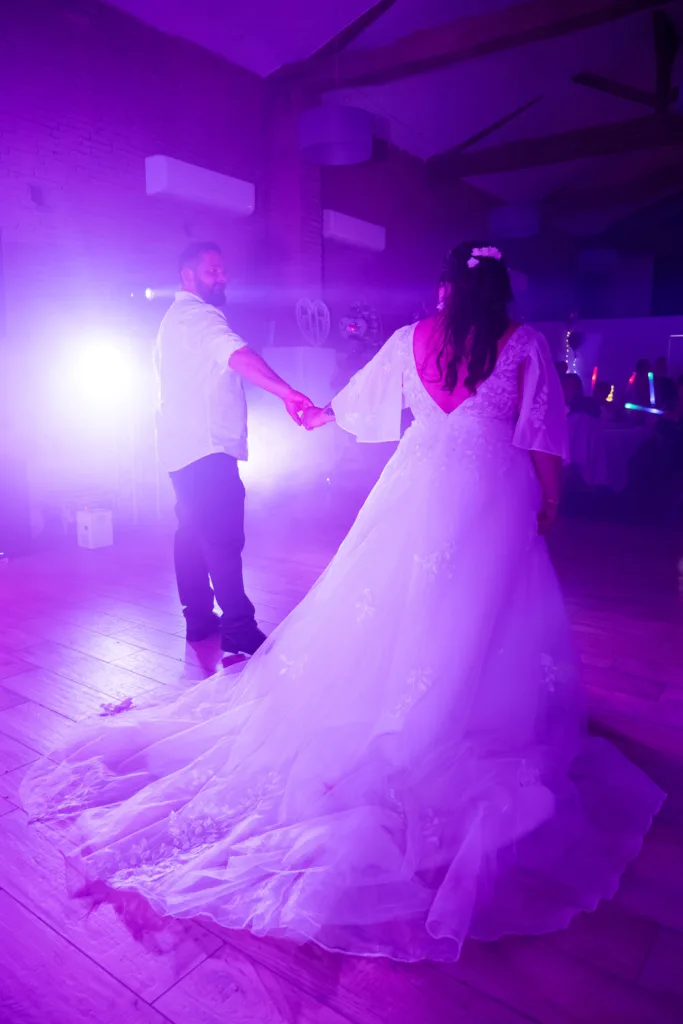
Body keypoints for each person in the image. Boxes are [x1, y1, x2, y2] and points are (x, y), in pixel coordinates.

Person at [21, 242, 664, 962]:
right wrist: (549, 499)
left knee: (396, 596)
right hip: (491, 490)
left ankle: (403, 699)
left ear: (446, 288)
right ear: (502, 288)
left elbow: (361, 396)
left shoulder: (413, 337)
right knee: (483, 605)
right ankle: (459, 707)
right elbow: (540, 433)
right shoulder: (525, 344)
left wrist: (319, 414)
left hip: (418, 482)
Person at [155, 242, 312, 654]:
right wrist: (287, 393)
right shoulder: (200, 316)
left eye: (223, 270)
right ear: (188, 275)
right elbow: (237, 355)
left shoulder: (173, 319)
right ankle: (239, 629)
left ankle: (198, 619)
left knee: (191, 533)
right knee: (222, 539)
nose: (222, 277)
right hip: (208, 449)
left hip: (180, 448)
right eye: (212, 271)